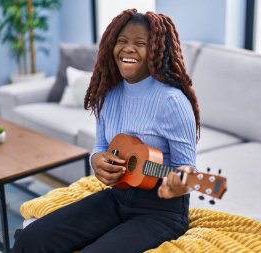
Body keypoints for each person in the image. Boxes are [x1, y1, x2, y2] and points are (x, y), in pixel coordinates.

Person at [13, 8, 200, 253]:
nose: (128, 49)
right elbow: (101, 146)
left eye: (140, 43)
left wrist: (179, 181)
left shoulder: (172, 101)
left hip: (161, 212)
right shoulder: (109, 95)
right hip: (117, 196)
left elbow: (189, 171)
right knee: (30, 239)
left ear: (156, 49)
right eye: (122, 41)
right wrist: (97, 160)